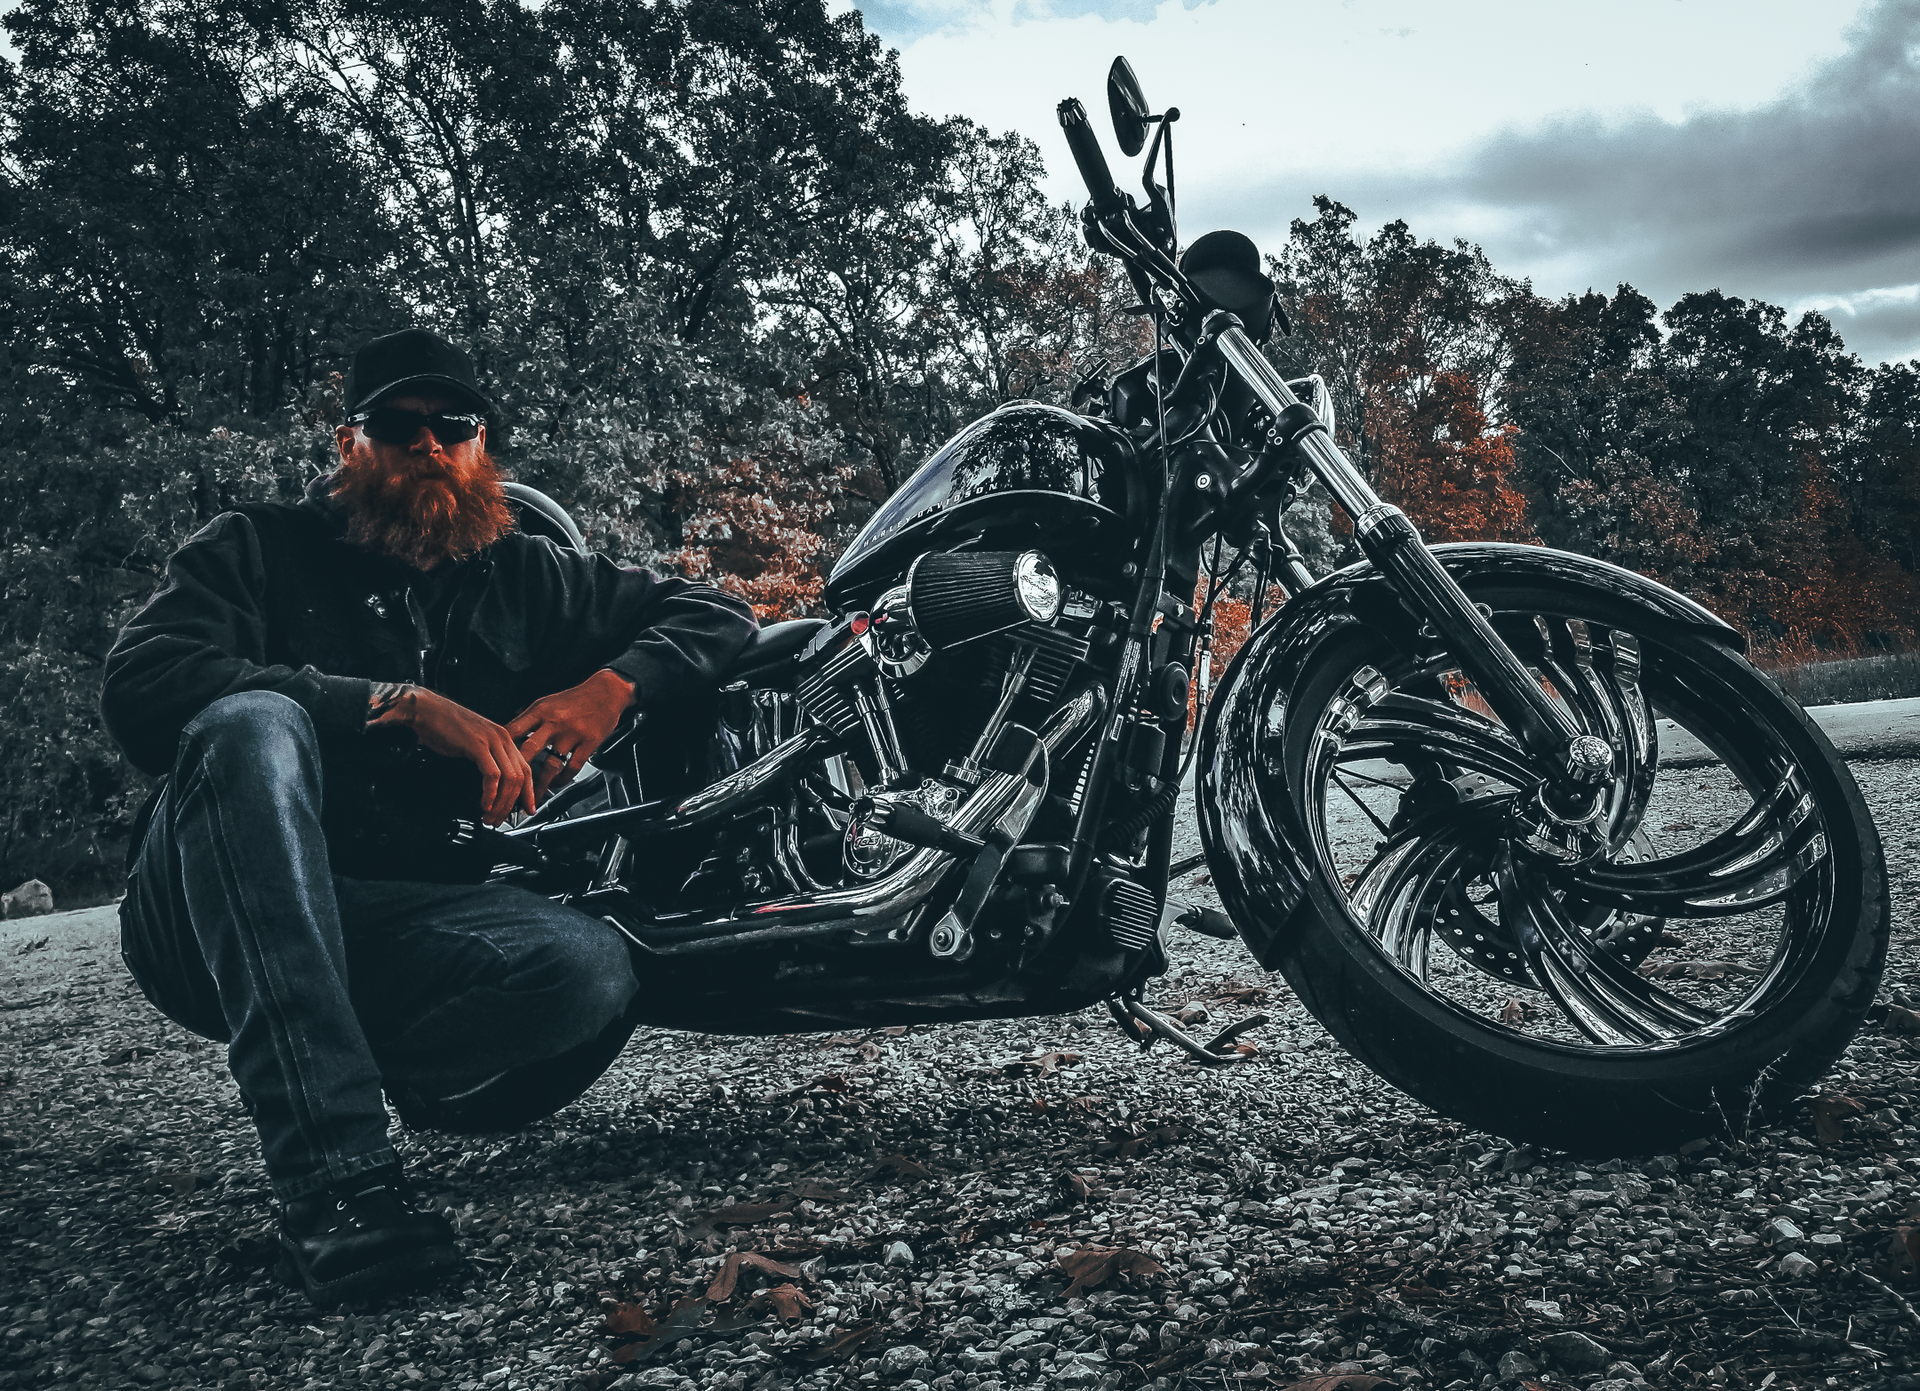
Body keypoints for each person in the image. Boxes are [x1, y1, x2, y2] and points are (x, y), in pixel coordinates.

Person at [101, 328, 757, 1308]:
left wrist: (610, 688)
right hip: (208, 908)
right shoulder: (255, 545)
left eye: (455, 424)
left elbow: (717, 614)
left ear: (483, 445)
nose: (429, 443)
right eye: (397, 425)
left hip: (387, 921)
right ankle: (340, 1191)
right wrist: (393, 701)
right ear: (347, 443)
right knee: (253, 723)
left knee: (589, 967)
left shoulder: (528, 575)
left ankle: (322, 1063)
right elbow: (144, 683)